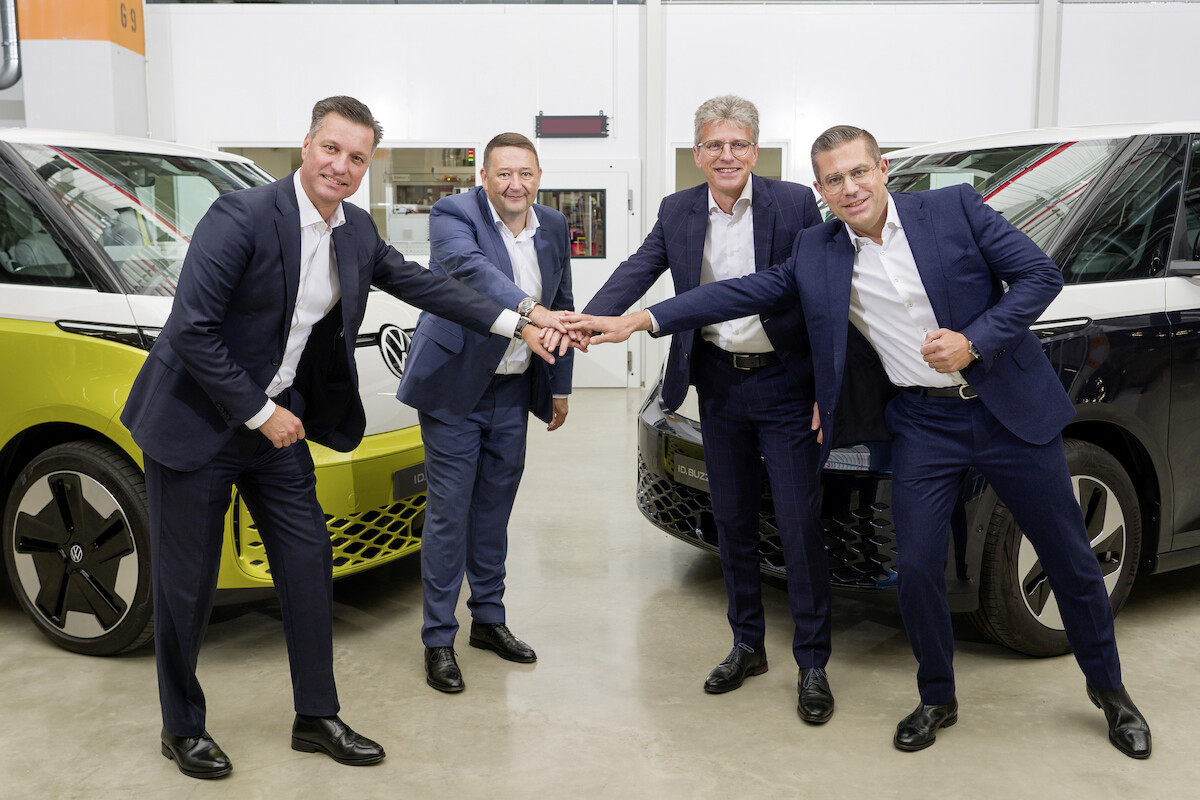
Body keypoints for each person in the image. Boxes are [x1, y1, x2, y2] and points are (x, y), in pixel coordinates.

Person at [565, 125, 1152, 759]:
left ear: (882, 172)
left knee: (1068, 556)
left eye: (858, 173)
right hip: (925, 425)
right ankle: (936, 696)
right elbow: (742, 291)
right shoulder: (819, 252)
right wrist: (641, 318)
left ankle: (1111, 691)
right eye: (834, 180)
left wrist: (974, 340)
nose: (850, 188)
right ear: (819, 189)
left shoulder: (953, 210)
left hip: (1007, 414)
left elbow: (1039, 276)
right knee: (919, 569)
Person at [122, 98, 562, 779]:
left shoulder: (355, 230)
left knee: (307, 566)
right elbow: (192, 332)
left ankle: (315, 715)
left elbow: (426, 285)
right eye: (332, 149)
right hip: (196, 425)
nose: (342, 166)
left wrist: (520, 324)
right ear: (306, 146)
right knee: (187, 589)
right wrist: (259, 411)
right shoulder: (240, 217)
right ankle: (181, 726)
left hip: (277, 431)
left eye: (357, 157)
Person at [579, 95, 833, 721]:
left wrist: (829, 390)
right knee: (732, 523)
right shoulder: (679, 209)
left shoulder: (796, 203)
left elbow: (824, 299)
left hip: (784, 384)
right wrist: (591, 320)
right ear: (697, 154)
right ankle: (747, 644)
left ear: (755, 150)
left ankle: (812, 662)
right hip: (717, 383)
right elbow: (640, 267)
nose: (726, 155)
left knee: (799, 528)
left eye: (738, 144)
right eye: (714, 145)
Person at [397, 133, 574, 693]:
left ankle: (489, 622)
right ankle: (438, 639)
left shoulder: (551, 225)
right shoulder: (455, 213)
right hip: (454, 389)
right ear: (485, 178)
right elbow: (470, 271)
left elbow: (563, 301)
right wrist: (529, 309)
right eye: (503, 174)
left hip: (513, 390)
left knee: (494, 511)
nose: (514, 184)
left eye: (525, 173)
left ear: (539, 175)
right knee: (450, 514)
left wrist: (560, 386)